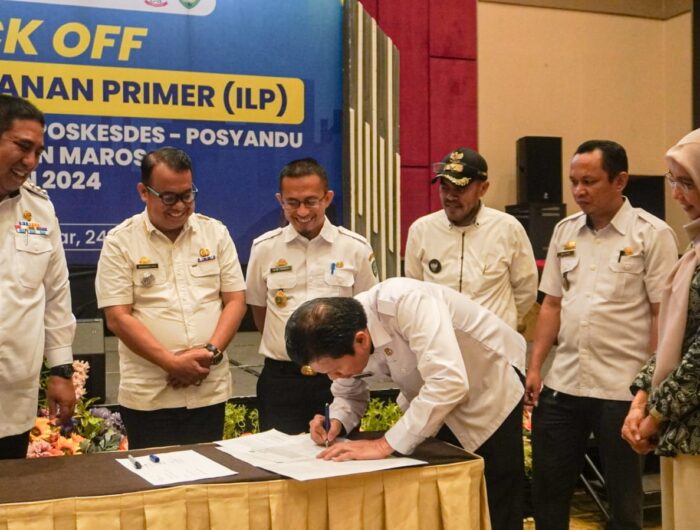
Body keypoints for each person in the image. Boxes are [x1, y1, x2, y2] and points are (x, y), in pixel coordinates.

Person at [286, 277, 527, 530]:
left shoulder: (407, 302)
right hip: (432, 399)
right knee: (444, 497)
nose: (334, 377)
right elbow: (348, 393)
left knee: (493, 497)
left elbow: (448, 382)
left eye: (335, 370)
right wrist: (336, 420)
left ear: (361, 340)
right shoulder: (342, 334)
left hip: (489, 383)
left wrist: (383, 445)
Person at [525, 140, 679, 530]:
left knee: (624, 504)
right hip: (564, 383)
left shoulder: (652, 234)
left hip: (621, 390)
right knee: (547, 494)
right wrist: (535, 367)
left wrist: (649, 388)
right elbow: (551, 305)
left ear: (620, 180)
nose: (579, 191)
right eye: (574, 181)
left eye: (589, 181)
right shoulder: (564, 231)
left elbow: (662, 315)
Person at [95, 147, 246, 449]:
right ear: (144, 192)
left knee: (209, 475)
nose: (179, 206)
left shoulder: (215, 233)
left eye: (187, 195)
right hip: (150, 394)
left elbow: (235, 301)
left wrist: (210, 353)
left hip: (207, 387)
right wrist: (171, 363)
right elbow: (118, 317)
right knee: (154, 476)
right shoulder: (120, 241)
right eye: (168, 197)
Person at [246, 157, 378, 434]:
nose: (302, 211)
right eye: (292, 203)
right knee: (276, 456)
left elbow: (368, 314)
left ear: (327, 198)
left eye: (310, 201)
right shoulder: (263, 248)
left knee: (337, 451)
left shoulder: (355, 248)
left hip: (336, 381)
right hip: (281, 380)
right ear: (280, 201)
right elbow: (260, 314)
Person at [621, 129, 700, 530]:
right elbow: (675, 337)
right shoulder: (695, 249)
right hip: (682, 429)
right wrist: (641, 400)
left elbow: (698, 359)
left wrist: (654, 415)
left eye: (687, 182)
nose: (676, 194)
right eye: (673, 180)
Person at [0, 95, 76, 459]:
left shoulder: (40, 209)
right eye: (22, 146)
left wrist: (61, 370)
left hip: (12, 400)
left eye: (38, 152)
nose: (30, 161)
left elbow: (56, 295)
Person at [405, 147, 537, 330]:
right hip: (439, 340)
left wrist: (501, 324)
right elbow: (415, 291)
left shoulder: (508, 229)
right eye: (444, 187)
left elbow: (526, 290)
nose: (450, 197)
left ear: (483, 188)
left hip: (492, 342)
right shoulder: (421, 230)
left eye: (460, 188)